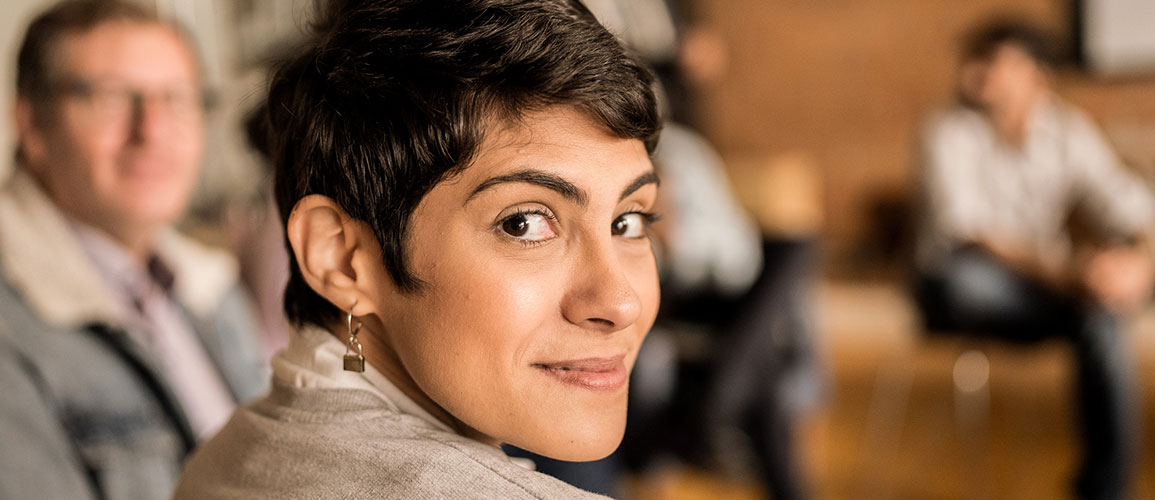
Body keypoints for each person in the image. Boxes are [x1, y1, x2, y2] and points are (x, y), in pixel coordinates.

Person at [172, 0, 662, 498]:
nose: (621, 303)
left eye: (628, 221)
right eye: (523, 223)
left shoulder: (228, 453)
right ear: (340, 259)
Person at [0, 2, 269, 500]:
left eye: (177, 99)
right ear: (32, 126)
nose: (152, 131)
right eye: (111, 99)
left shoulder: (209, 287)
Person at [914, 19, 1155, 500]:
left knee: (1103, 313)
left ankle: (1106, 488)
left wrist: (1139, 266)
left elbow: (1132, 207)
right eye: (972, 60)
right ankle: (1088, 296)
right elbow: (971, 233)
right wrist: (1067, 275)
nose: (973, 74)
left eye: (992, 63)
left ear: (1037, 76)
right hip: (963, 283)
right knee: (965, 279)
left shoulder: (1067, 131)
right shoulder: (946, 130)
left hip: (1044, 288)